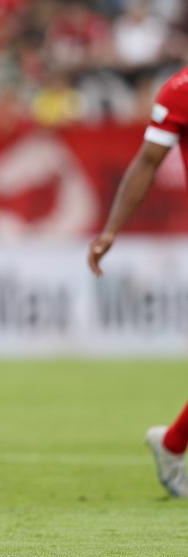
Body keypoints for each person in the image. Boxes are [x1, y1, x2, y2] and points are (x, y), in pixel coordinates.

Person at [87, 66, 188, 498]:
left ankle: (171, 444)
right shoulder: (181, 89)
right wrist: (111, 229)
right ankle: (170, 444)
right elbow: (148, 161)